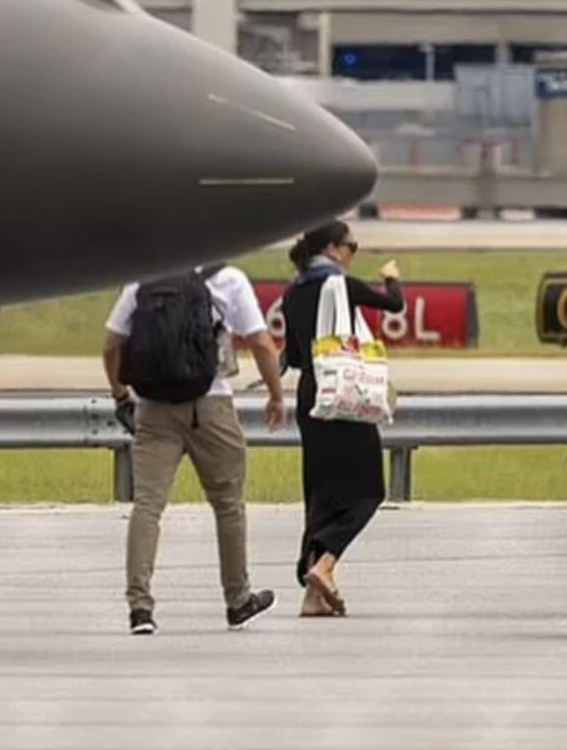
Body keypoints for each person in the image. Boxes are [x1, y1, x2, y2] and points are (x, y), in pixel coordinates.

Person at [103, 263, 286, 635]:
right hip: (211, 404)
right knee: (228, 504)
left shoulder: (142, 279)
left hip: (154, 408)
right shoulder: (229, 279)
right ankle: (237, 598)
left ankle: (140, 607)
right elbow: (261, 342)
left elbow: (111, 345)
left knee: (148, 506)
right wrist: (276, 395)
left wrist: (121, 395)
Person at [281, 220, 404, 618]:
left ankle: (312, 596)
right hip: (345, 396)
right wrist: (391, 279)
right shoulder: (340, 285)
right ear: (334, 249)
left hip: (310, 396)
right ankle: (325, 564)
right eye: (352, 245)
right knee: (368, 490)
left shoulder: (293, 290)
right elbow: (394, 305)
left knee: (320, 493)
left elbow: (297, 357)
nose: (353, 253)